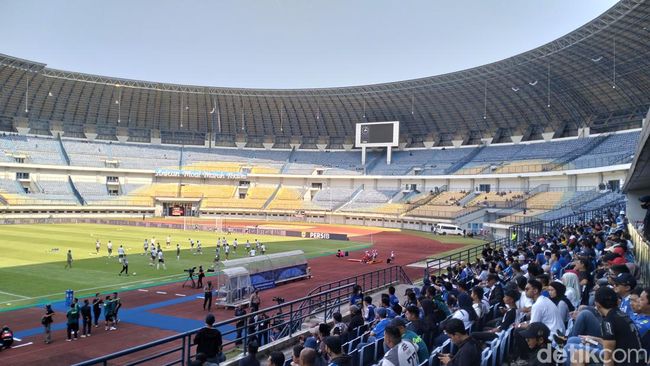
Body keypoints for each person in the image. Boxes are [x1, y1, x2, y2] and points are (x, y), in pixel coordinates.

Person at [568, 286, 644, 366]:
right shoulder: (621, 314)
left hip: (622, 361)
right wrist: (594, 339)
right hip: (631, 359)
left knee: (576, 355)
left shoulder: (608, 321)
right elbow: (617, 343)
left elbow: (608, 359)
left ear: (597, 304)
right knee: (573, 341)